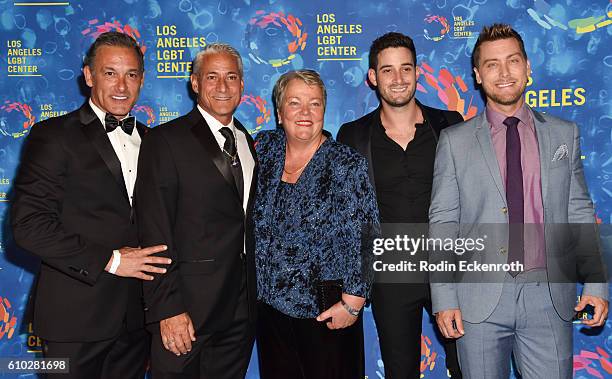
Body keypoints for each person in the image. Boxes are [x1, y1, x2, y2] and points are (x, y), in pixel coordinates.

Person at [429, 23, 609, 378]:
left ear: (528, 68)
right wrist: (445, 297)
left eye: (512, 61)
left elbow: (579, 212)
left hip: (549, 298)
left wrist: (596, 282)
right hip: (477, 301)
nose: (504, 72)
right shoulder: (455, 142)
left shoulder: (563, 133)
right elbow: (443, 223)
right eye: (492, 64)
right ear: (478, 75)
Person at [11, 31, 170, 379]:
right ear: (88, 76)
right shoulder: (53, 135)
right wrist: (111, 260)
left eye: (131, 74)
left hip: (137, 321)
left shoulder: (155, 141)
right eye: (110, 73)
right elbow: (28, 226)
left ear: (142, 80)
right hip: (75, 321)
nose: (121, 86)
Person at [337, 32, 463, 379]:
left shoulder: (450, 124)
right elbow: (348, 215)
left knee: (468, 367)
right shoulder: (353, 135)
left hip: (450, 271)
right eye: (388, 70)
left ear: (417, 72)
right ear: (373, 77)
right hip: (390, 277)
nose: (398, 79)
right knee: (400, 371)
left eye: (406, 68)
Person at [134, 43, 257, 378]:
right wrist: (168, 308)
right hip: (187, 311)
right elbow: (153, 230)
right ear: (195, 83)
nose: (222, 86)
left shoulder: (247, 140)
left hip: (241, 312)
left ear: (242, 85)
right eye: (212, 77)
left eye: (231, 77)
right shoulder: (165, 140)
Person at [254, 69, 379, 379]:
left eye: (315, 103)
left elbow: (368, 235)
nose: (305, 113)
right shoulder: (264, 149)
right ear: (279, 111)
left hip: (326, 309)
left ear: (325, 109)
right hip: (268, 307)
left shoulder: (345, 163)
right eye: (295, 103)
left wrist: (353, 303)